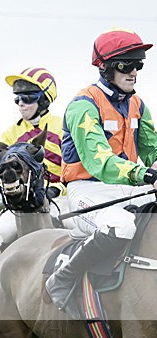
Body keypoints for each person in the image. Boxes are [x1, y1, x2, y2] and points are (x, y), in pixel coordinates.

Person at [46, 28, 157, 312]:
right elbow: (100, 162)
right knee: (120, 226)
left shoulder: (138, 104)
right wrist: (142, 174)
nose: (134, 72)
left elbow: (153, 151)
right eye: (126, 64)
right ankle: (62, 278)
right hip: (88, 189)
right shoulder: (83, 106)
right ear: (105, 67)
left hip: (130, 188)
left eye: (139, 64)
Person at [0, 67, 67, 245]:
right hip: (21, 204)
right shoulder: (9, 135)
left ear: (43, 99)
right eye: (17, 98)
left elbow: (73, 171)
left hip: (60, 198)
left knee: (79, 229)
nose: (21, 103)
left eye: (28, 97)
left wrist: (57, 189)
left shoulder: (63, 128)